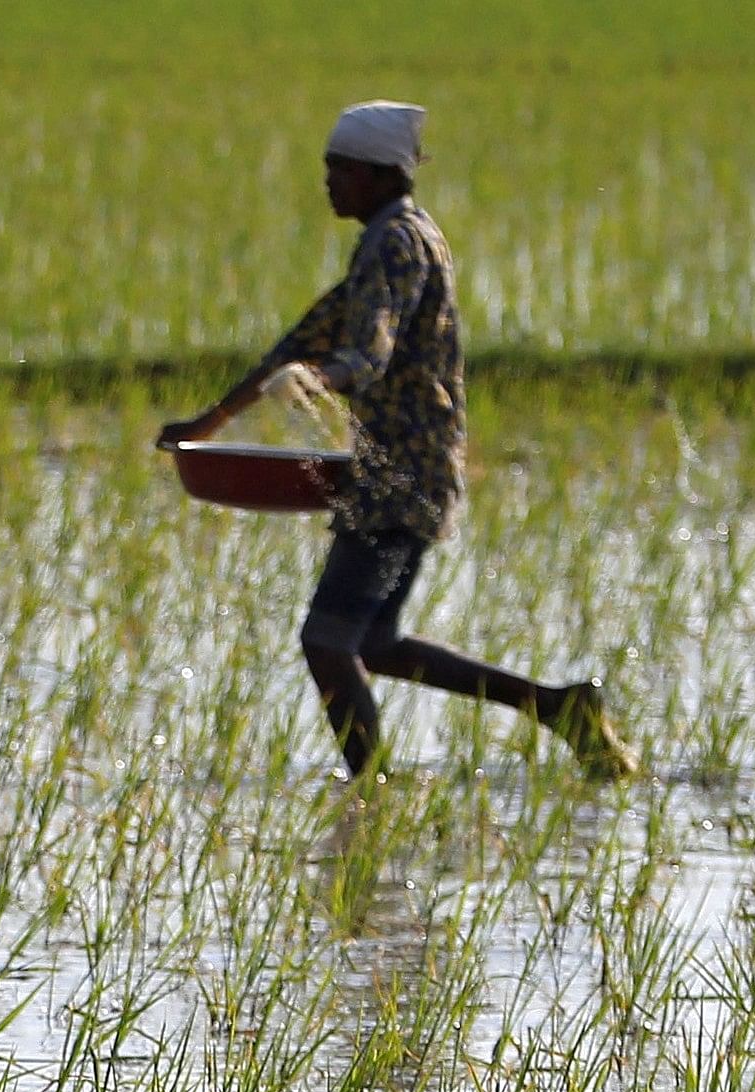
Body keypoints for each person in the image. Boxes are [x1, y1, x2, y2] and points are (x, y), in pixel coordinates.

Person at [161, 100, 637, 780]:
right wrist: (210, 423)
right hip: (402, 471)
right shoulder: (391, 236)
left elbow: (367, 350)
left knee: (327, 641)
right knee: (373, 642)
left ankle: (374, 789)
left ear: (382, 175)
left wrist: (321, 377)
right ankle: (559, 708)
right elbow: (308, 335)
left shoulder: (395, 242)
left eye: (342, 171)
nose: (329, 184)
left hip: (400, 476)